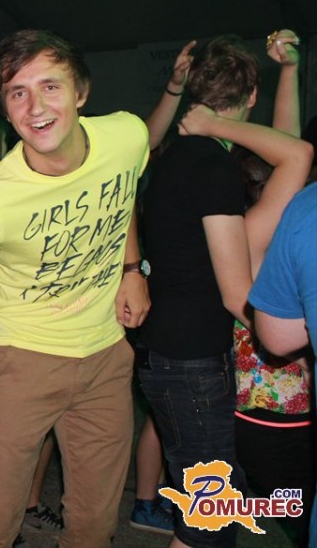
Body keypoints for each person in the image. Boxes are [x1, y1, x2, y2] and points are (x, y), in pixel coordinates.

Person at [0, 29, 151, 548]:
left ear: (81, 92)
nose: (36, 107)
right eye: (18, 93)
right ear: (5, 111)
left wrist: (132, 269)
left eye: (50, 86)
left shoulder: (128, 136)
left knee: (95, 523)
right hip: (21, 360)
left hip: (105, 354)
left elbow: (120, 193)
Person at [138, 32, 312, 548]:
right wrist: (288, 337)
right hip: (190, 364)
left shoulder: (177, 158)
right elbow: (236, 295)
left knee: (210, 514)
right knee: (209, 522)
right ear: (251, 96)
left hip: (171, 354)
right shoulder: (213, 168)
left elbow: (289, 160)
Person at [248, 181, 317, 546]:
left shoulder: (304, 213)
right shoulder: (259, 230)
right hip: (273, 404)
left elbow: (277, 334)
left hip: (272, 401)